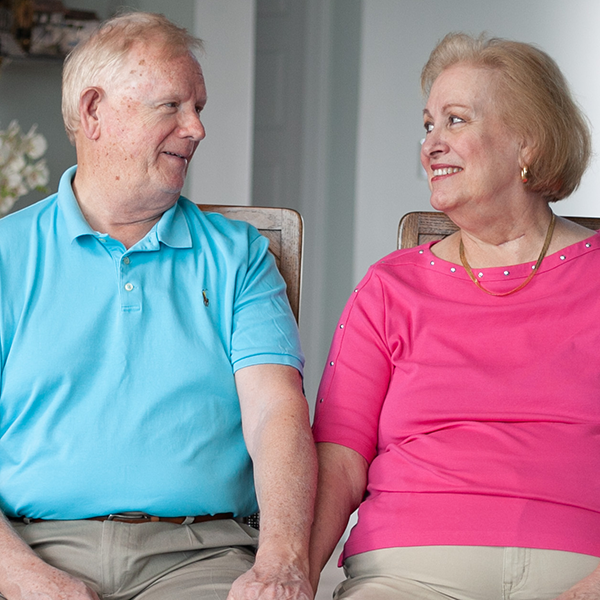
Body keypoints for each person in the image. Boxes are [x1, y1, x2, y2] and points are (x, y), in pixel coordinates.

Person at [0, 12, 316, 600]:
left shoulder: (239, 256)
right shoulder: (6, 254)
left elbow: (277, 415)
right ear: (94, 112)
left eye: (198, 107)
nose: (196, 129)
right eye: (172, 106)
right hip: (30, 550)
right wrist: (25, 578)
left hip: (200, 556)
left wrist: (281, 560)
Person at [310, 32, 600, 600]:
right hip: (408, 572)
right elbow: (339, 459)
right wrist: (293, 571)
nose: (431, 145)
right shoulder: (390, 287)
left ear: (528, 144)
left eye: (455, 121)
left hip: (581, 569)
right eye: (427, 126)